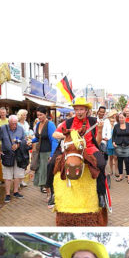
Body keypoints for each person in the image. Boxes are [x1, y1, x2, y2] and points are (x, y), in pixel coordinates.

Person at [51, 96, 106, 226]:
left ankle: (101, 194)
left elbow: (97, 141)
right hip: (70, 149)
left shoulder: (93, 121)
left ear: (86, 110)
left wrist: (100, 130)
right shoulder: (68, 122)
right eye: (77, 109)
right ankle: (52, 195)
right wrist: (68, 134)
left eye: (82, 109)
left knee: (102, 164)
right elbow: (55, 134)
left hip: (89, 148)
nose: (79, 112)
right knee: (51, 164)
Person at [0, 115, 28, 203]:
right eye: (12, 124)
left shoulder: (20, 129)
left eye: (15, 123)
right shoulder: (3, 128)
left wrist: (18, 145)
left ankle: (16, 191)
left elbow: (24, 140)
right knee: (7, 175)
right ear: (9, 122)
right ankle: (7, 194)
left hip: (18, 154)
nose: (14, 126)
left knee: (18, 175)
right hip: (7, 155)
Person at [31, 106, 57, 195]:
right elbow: (39, 137)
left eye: (41, 115)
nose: (39, 117)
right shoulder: (38, 124)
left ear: (45, 114)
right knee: (42, 173)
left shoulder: (50, 124)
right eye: (38, 115)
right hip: (40, 153)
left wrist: (52, 155)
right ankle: (48, 194)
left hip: (48, 152)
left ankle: (51, 195)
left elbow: (54, 140)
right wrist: (31, 141)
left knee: (47, 174)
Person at [112, 112, 129, 183]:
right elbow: (114, 135)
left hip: (127, 145)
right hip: (118, 146)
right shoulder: (116, 126)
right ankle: (121, 176)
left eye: (122, 117)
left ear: (125, 118)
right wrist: (113, 142)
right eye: (120, 117)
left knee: (127, 161)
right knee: (120, 161)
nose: (121, 119)